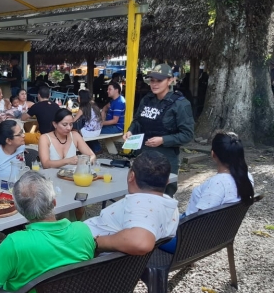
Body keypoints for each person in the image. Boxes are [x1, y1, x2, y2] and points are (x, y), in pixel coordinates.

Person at [160, 132, 254, 253]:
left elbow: (199, 223)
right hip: (220, 236)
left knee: (144, 230)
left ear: (213, 154)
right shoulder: (247, 177)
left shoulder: (218, 183)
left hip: (188, 243)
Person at [85, 151, 179, 255]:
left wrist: (95, 242)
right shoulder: (169, 205)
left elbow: (140, 243)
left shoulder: (144, 204)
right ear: (167, 181)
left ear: (131, 176)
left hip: (82, 248)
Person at [124, 64, 194, 196]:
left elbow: (187, 134)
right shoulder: (147, 99)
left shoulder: (180, 104)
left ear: (170, 80)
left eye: (159, 81)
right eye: (152, 80)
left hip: (165, 159)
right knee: (139, 194)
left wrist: (163, 140)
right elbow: (138, 121)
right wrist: (130, 131)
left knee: (164, 197)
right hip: (143, 156)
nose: (154, 84)